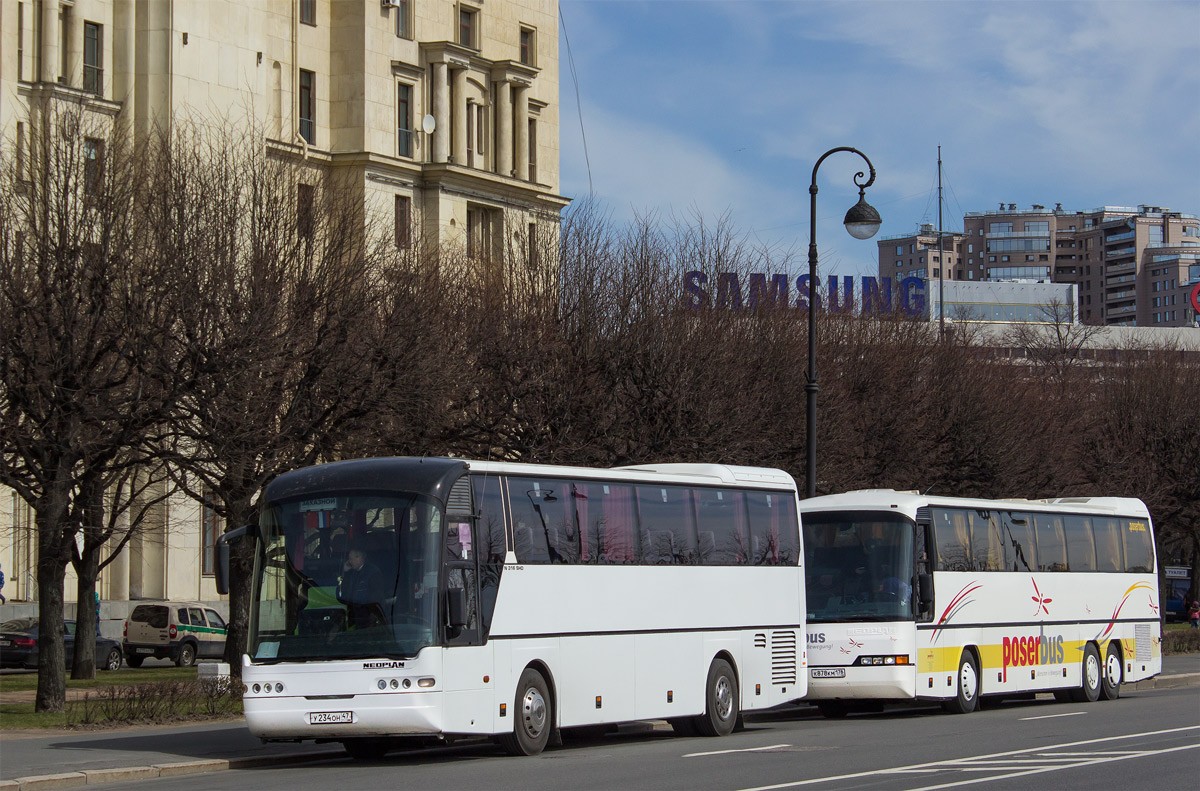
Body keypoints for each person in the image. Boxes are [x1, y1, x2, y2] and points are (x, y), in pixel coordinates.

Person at [337, 545, 386, 629]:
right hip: (354, 616)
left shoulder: (373, 573)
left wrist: (373, 615)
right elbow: (341, 595)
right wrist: (345, 573)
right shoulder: (351, 573)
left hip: (367, 617)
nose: (349, 561)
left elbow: (377, 595)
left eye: (351, 559)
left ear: (359, 558)